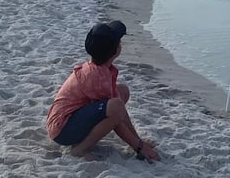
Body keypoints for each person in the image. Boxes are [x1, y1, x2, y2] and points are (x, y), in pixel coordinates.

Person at [45, 20, 160, 162]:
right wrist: (139, 147)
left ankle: (134, 142)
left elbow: (117, 111)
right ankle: (80, 149)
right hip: (63, 130)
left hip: (71, 120)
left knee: (122, 91)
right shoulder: (96, 77)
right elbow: (116, 115)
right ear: (116, 50)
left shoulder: (101, 69)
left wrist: (138, 140)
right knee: (116, 106)